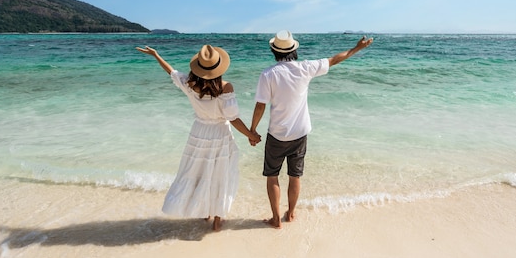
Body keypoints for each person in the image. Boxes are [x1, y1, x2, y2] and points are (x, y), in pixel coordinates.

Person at [250, 30, 373, 229]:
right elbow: (334, 59)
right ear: (293, 50)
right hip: (300, 133)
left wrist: (252, 131)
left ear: (274, 51)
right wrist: (357, 48)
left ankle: (275, 219)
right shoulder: (305, 68)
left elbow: (260, 106)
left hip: (277, 135)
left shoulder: (268, 74)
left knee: (272, 176)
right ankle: (290, 214)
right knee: (295, 176)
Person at [136, 44, 261, 231]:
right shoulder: (225, 87)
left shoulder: (189, 83)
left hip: (199, 132)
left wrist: (156, 55)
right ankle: (218, 220)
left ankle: (205, 212)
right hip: (219, 134)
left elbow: (172, 72)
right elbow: (233, 118)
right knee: (220, 175)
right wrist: (251, 134)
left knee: (200, 173)